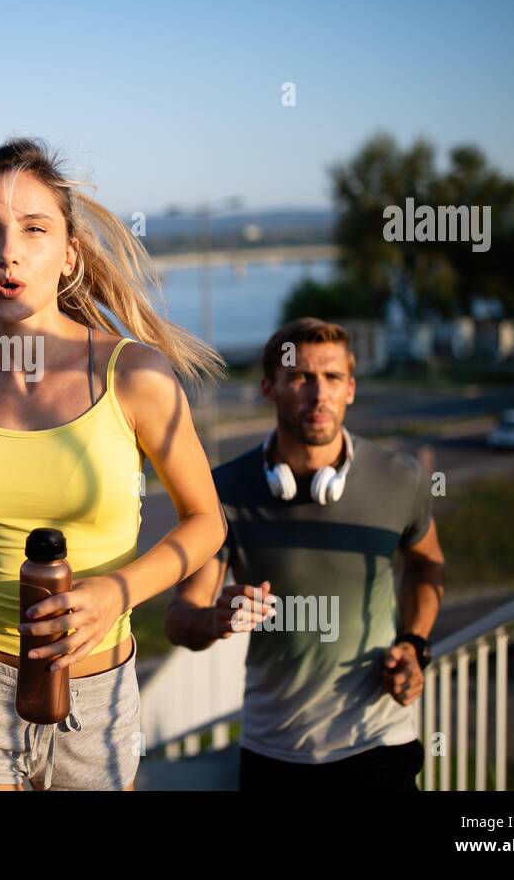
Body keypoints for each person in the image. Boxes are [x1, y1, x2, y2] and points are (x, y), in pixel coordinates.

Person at [0, 137, 228, 791]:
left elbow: (205, 523)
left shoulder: (135, 375)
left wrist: (117, 593)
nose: (6, 250)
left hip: (97, 690)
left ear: (68, 253)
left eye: (33, 229)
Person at [165, 317, 446, 790]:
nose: (319, 394)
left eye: (333, 378)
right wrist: (215, 619)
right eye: (300, 377)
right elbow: (179, 619)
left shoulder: (401, 478)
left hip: (378, 742)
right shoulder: (225, 490)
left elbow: (426, 566)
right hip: (274, 751)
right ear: (268, 389)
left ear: (351, 388)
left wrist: (414, 645)